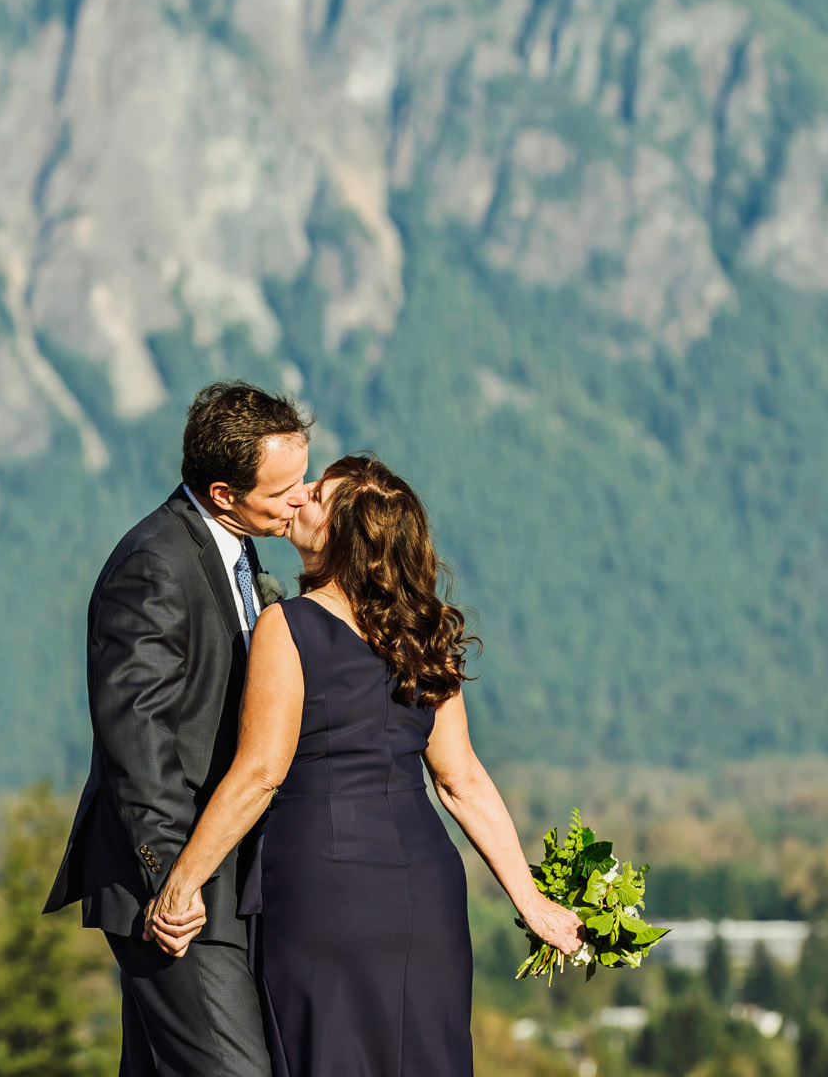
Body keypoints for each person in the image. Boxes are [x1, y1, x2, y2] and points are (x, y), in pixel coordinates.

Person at [145, 453, 584, 1076]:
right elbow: (461, 782)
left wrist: (180, 885)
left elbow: (260, 773)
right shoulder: (422, 635)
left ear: (343, 538)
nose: (298, 499)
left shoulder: (287, 625)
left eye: (317, 496)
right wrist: (531, 903)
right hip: (426, 895)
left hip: (324, 891)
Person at [43, 381, 311, 1077]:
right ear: (224, 492)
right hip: (173, 888)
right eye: (283, 491)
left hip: (222, 881)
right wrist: (176, 879)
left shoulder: (237, 551)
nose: (301, 499)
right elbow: (137, 732)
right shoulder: (155, 562)